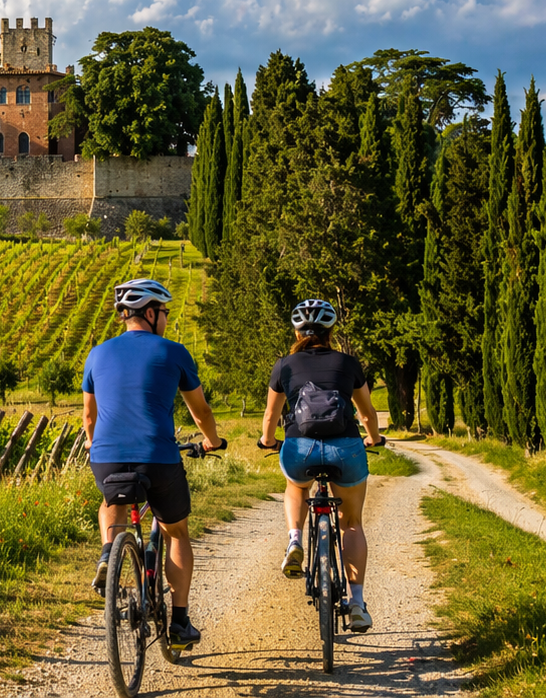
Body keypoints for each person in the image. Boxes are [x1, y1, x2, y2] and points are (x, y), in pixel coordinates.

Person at [84, 277, 225, 647]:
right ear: (149, 313)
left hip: (106, 456)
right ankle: (179, 623)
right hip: (158, 458)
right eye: (164, 312)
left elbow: (89, 417)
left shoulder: (96, 354)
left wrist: (95, 449)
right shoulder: (173, 351)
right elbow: (201, 412)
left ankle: (106, 555)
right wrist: (212, 441)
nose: (165, 318)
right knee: (176, 531)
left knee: (110, 502)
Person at [256, 298, 385, 633]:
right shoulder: (348, 363)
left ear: (297, 330)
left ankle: (295, 540)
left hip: (300, 446)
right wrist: (373, 438)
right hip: (346, 447)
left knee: (296, 485)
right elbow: (367, 413)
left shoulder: (284, 364)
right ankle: (356, 602)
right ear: (330, 331)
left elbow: (271, 416)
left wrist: (268, 441)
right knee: (352, 523)